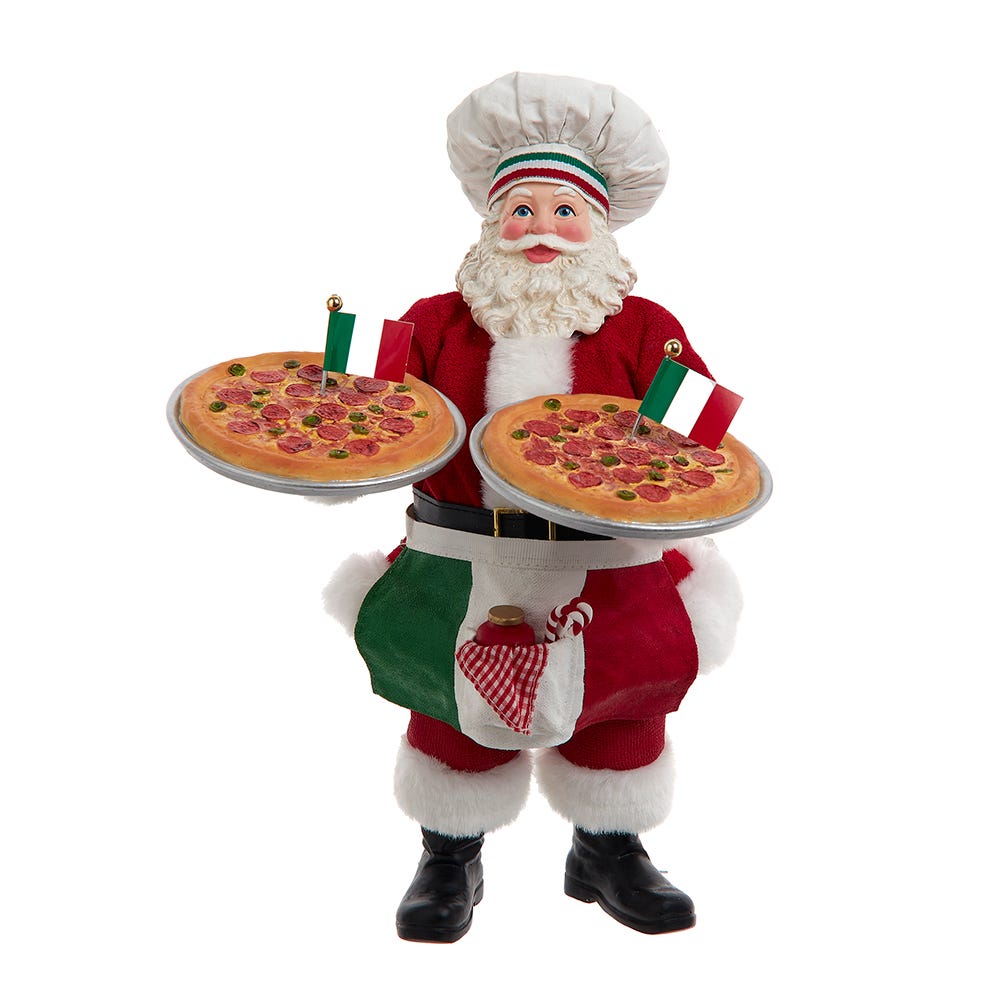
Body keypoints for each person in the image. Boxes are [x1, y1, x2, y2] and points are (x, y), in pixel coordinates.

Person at [328, 72, 743, 942]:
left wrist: (681, 416)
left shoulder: (643, 325)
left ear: (599, 228)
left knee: (622, 706)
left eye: (564, 211)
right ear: (491, 227)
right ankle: (449, 855)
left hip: (611, 562)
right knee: (448, 709)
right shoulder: (438, 319)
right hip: (461, 561)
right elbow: (368, 405)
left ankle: (609, 850)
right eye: (521, 211)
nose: (541, 229)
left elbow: (703, 441)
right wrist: (342, 356)